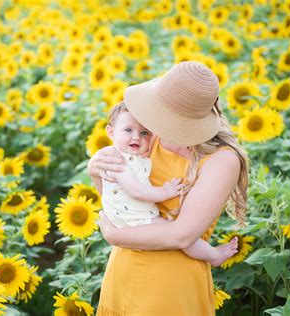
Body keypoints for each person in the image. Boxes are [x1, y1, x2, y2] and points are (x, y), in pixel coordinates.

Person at [88, 61, 249, 315]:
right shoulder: (149, 137)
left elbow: (181, 235)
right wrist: (97, 172)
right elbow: (124, 205)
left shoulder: (221, 160)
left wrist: (113, 235)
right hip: (123, 272)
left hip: (171, 286)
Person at [102, 102, 239, 267]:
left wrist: (112, 233)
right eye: (128, 130)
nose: (137, 137)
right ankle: (214, 255)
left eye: (144, 132)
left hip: (169, 264)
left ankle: (213, 255)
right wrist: (165, 192)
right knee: (174, 232)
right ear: (111, 132)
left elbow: (182, 235)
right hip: (134, 224)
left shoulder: (137, 152)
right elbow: (136, 191)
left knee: (179, 235)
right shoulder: (119, 159)